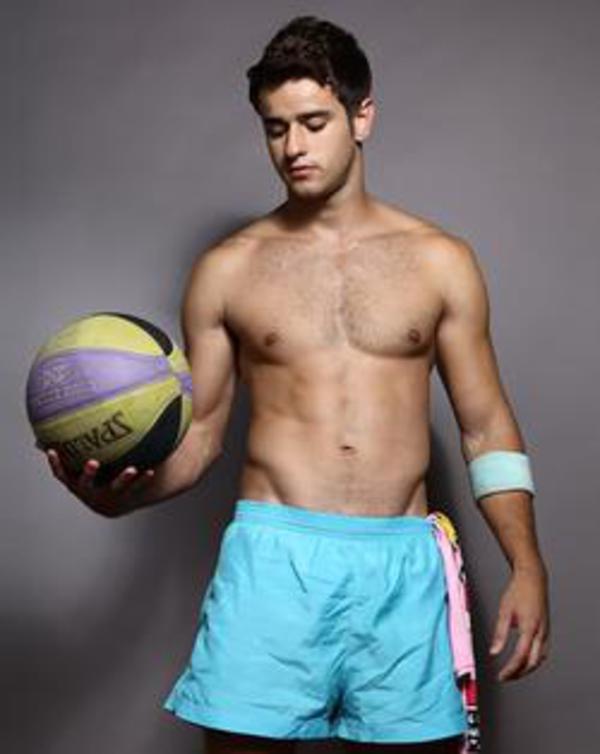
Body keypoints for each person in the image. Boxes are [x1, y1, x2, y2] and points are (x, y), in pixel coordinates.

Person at [43, 15, 550, 754]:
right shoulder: (227, 269)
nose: (294, 148)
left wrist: (527, 566)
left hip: (401, 560)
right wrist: (120, 499)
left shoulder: (441, 261)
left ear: (362, 116)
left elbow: (486, 428)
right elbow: (203, 437)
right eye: (275, 128)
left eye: (314, 123)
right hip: (271, 558)